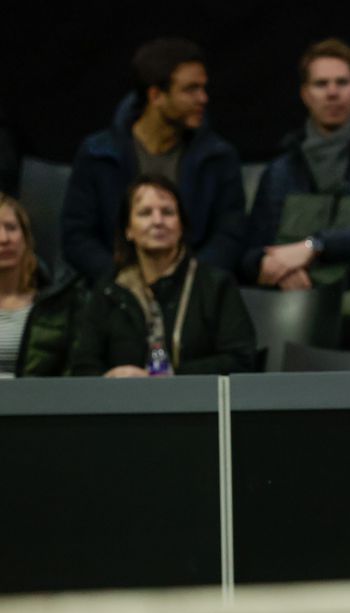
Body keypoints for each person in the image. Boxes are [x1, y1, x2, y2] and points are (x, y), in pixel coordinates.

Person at [61, 38, 245, 286]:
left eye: (203, 88)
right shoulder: (97, 154)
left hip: (194, 297)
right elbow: (76, 237)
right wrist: (122, 279)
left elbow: (230, 235)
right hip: (113, 295)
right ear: (156, 95)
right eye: (190, 89)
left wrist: (190, 283)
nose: (203, 98)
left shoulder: (218, 158)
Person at [241, 38, 350, 290]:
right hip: (290, 304)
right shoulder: (280, 172)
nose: (332, 92)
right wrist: (270, 266)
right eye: (321, 84)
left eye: (342, 82)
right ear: (305, 94)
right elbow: (250, 252)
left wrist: (315, 246)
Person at [70, 175, 255, 376]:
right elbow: (83, 365)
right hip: (124, 403)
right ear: (128, 230)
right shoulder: (108, 290)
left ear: (181, 226)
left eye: (167, 212)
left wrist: (171, 377)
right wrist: (110, 378)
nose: (158, 221)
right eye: (145, 213)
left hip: (195, 403)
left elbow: (240, 360)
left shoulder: (216, 285)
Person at [0, 195, 87, 377]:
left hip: (31, 402)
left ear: (25, 238)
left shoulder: (53, 307)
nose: (3, 238)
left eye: (11, 228)